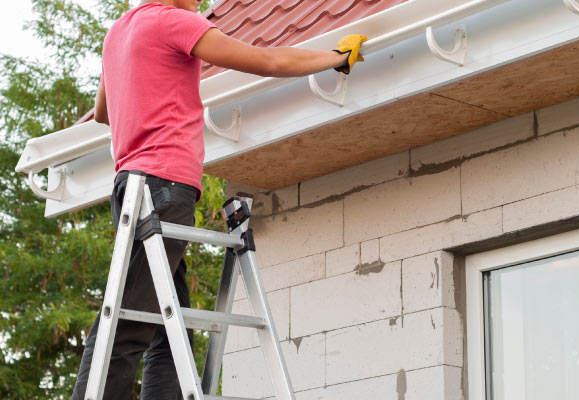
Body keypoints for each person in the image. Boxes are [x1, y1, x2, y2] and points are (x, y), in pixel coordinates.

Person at [71, 1, 367, 398]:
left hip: (131, 188)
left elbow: (104, 113)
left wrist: (145, 89)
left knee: (164, 328)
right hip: (164, 186)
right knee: (127, 327)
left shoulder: (119, 32)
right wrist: (335, 57)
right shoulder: (173, 22)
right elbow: (267, 61)